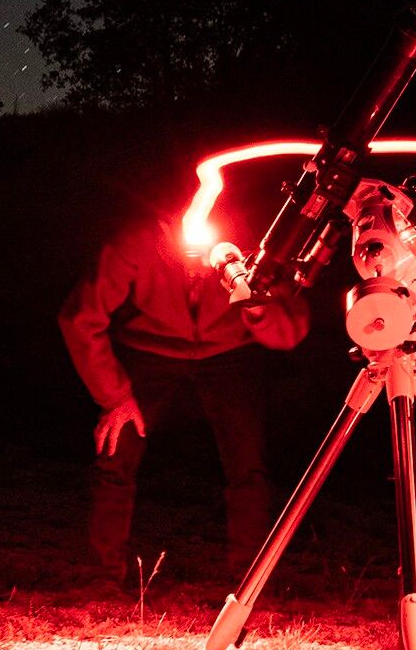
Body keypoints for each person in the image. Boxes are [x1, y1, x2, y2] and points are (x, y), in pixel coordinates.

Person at [59, 212, 309, 590]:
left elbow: (288, 333)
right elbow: (81, 318)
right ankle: (102, 577)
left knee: (249, 461)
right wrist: (114, 396)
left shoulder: (251, 243)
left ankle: (252, 583)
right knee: (116, 447)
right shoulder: (134, 243)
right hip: (150, 348)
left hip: (230, 351)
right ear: (162, 223)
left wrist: (257, 308)